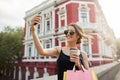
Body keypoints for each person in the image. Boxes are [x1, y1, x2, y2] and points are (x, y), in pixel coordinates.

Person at [30, 16, 89, 80]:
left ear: (78, 35)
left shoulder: (83, 54)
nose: (68, 34)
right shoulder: (59, 50)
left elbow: (87, 76)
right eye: (66, 32)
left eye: (71, 32)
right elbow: (42, 52)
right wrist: (33, 31)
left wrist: (78, 65)